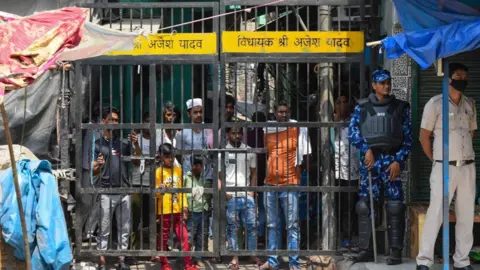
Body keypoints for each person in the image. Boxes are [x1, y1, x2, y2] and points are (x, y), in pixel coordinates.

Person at [348, 69, 412, 265]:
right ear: (374, 85)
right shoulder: (362, 108)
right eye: (382, 83)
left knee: (394, 207)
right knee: (364, 206)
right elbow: (353, 133)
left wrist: (398, 160)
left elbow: (408, 138)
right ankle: (366, 249)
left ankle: (395, 251)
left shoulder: (401, 108)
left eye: (388, 82)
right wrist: (365, 149)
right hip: (371, 162)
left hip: (391, 160)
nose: (387, 86)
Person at [416, 63, 476, 270]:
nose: (463, 79)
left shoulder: (470, 104)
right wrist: (436, 158)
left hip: (467, 166)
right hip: (444, 166)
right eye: (459, 75)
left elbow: (472, 132)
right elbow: (423, 135)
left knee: (466, 214)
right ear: (448, 79)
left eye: (465, 76)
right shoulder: (435, 104)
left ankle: (462, 261)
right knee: (436, 213)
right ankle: (424, 260)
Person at [260, 101, 311, 270]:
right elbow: (266, 153)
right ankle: (273, 261)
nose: (283, 115)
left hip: (290, 183)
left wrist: (300, 177)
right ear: (274, 113)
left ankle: (294, 263)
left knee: (292, 225)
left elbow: (305, 155)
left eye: (286, 112)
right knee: (272, 225)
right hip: (270, 184)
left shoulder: (297, 129)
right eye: (280, 112)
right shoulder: (268, 130)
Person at [94, 107, 140, 270]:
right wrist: (97, 166)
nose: (114, 122)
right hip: (106, 190)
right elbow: (95, 170)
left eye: (116, 119)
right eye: (111, 119)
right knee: (104, 227)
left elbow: (136, 162)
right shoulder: (98, 144)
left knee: (124, 228)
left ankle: (121, 260)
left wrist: (136, 143)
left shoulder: (124, 143)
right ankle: (102, 261)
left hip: (124, 190)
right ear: (104, 122)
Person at [220, 126, 261, 269]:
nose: (236, 136)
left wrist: (252, 192)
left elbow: (254, 172)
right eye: (233, 133)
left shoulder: (249, 151)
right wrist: (226, 194)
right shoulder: (223, 153)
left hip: (247, 194)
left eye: (239, 133)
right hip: (231, 195)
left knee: (252, 226)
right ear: (227, 134)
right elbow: (220, 176)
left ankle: (252, 253)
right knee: (233, 227)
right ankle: (235, 257)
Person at [153, 143, 198, 270]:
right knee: (163, 238)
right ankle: (164, 263)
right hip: (165, 209)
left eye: (172, 156)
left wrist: (185, 207)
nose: (170, 159)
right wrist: (159, 190)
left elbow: (182, 191)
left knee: (184, 237)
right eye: (167, 157)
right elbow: (155, 194)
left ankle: (188, 264)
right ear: (161, 157)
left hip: (177, 209)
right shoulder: (158, 172)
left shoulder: (179, 170)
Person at [332, 91, 359, 239]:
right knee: (337, 204)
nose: (342, 105)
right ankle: (337, 236)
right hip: (334, 169)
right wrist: (336, 115)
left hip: (353, 168)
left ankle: (350, 236)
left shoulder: (355, 121)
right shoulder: (331, 121)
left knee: (350, 205)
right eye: (338, 102)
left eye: (344, 102)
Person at [184, 156, 210, 268]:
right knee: (188, 237)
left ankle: (198, 258)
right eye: (196, 165)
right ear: (192, 166)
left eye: (200, 165)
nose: (199, 167)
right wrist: (184, 209)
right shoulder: (186, 177)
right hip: (191, 211)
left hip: (203, 210)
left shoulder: (205, 177)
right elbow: (182, 194)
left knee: (201, 237)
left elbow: (208, 193)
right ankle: (186, 259)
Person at [246, 112, 267, 245]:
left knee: (250, 207)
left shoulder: (248, 136)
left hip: (250, 176)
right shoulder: (267, 135)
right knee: (263, 208)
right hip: (265, 175)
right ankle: (260, 234)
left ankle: (250, 237)